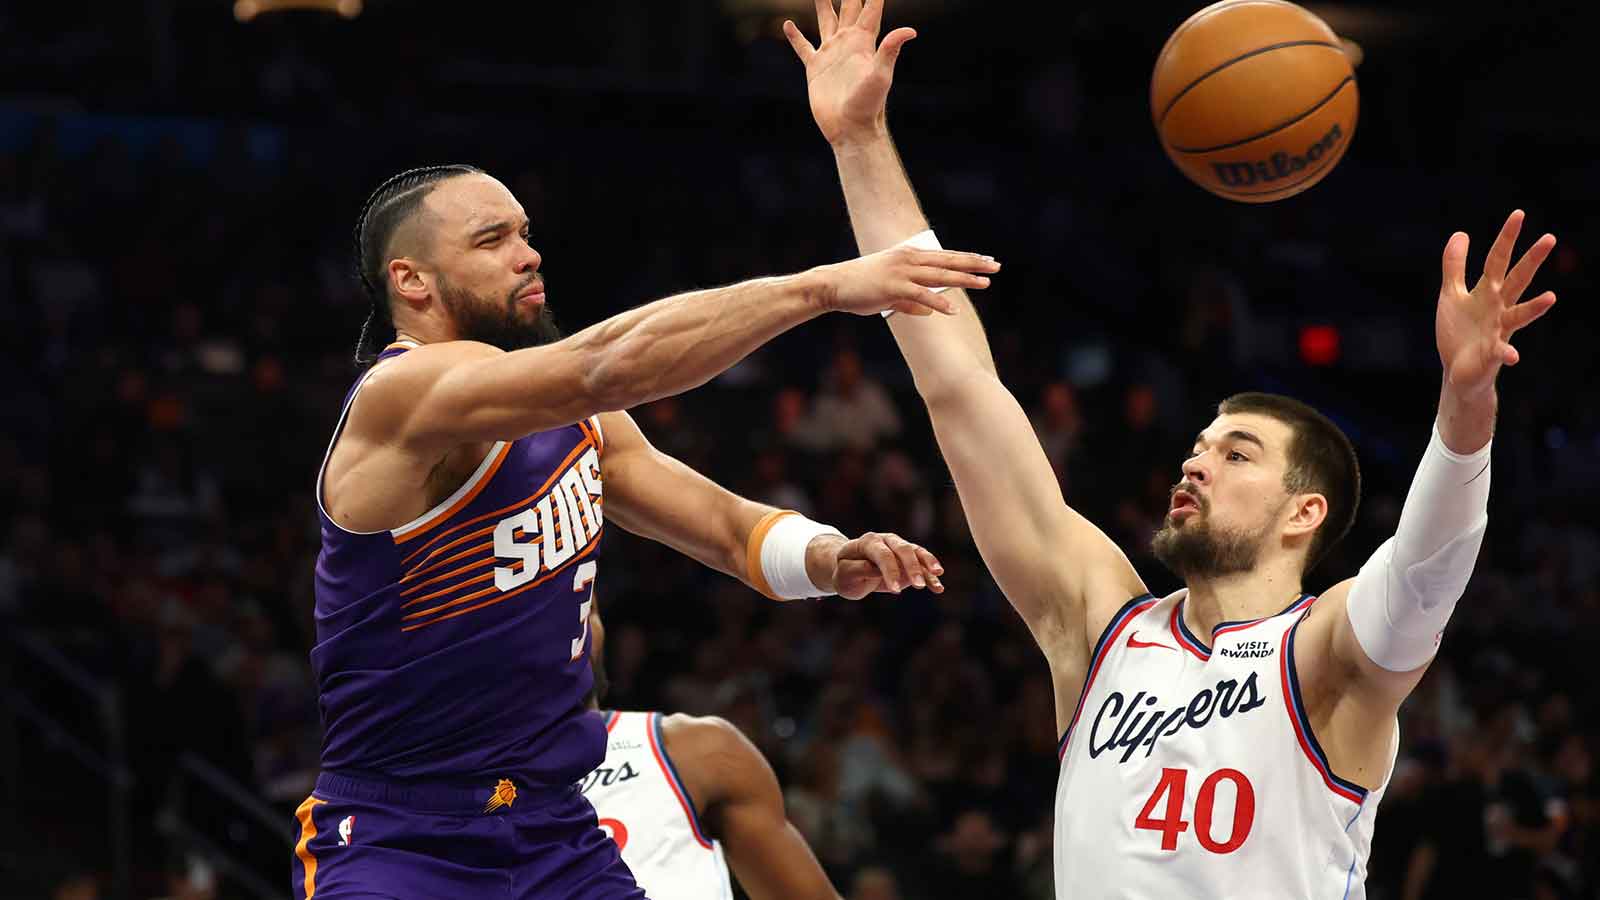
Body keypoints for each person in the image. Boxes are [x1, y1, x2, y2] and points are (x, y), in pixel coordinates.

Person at [783, 2, 1561, 896]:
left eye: (1236, 455)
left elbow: (1431, 566)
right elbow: (960, 388)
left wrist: (1465, 408)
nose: (1194, 462)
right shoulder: (1100, 624)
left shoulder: (1328, 655)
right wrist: (858, 141)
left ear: (1305, 512)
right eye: (1200, 446)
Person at [293, 163, 990, 898]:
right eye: (491, 240)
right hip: (402, 837)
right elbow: (604, 365)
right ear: (412, 281)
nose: (527, 255)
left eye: (525, 234)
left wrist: (826, 554)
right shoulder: (398, 396)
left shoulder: (574, 419)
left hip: (553, 828)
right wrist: (818, 289)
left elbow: (723, 528)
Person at [579, 601, 841, 900]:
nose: (569, 632)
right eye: (547, 615)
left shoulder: (696, 751)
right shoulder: (513, 790)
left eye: (582, 608)